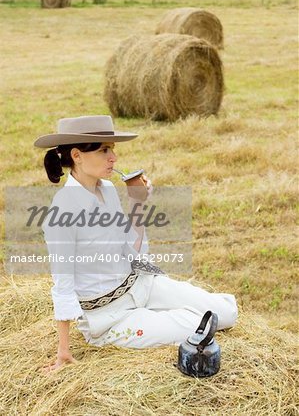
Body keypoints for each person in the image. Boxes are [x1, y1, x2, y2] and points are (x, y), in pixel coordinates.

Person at [34, 115, 238, 373]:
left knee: (227, 313)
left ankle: (169, 307)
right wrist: (63, 352)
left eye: (113, 150)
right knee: (201, 322)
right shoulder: (62, 210)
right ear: (77, 155)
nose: (113, 158)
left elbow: (131, 248)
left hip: (140, 284)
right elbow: (62, 284)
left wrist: (137, 203)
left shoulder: (106, 189)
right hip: (110, 317)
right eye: (104, 150)